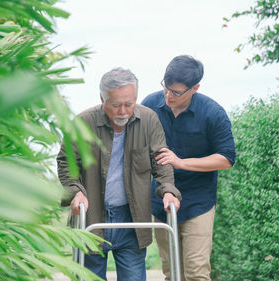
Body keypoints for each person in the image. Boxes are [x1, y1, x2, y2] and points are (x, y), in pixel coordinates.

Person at [57, 67, 182, 281]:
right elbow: (66, 163)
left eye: (129, 103)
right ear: (102, 99)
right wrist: (76, 192)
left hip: (132, 219)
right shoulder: (83, 122)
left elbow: (160, 161)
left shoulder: (149, 120)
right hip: (92, 215)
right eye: (116, 105)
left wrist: (168, 191)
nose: (123, 111)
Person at [142, 55, 236, 281]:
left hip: (198, 202)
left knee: (196, 271)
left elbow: (226, 158)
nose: (168, 96)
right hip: (161, 199)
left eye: (176, 92)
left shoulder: (213, 113)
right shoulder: (148, 105)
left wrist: (181, 162)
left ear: (195, 88)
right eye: (166, 88)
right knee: (171, 271)